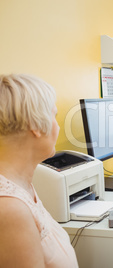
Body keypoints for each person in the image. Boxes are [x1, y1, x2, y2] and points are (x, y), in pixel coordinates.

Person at [0, 74, 78, 267]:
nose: (58, 126)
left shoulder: (22, 184)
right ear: (35, 125)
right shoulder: (11, 210)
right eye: (55, 115)